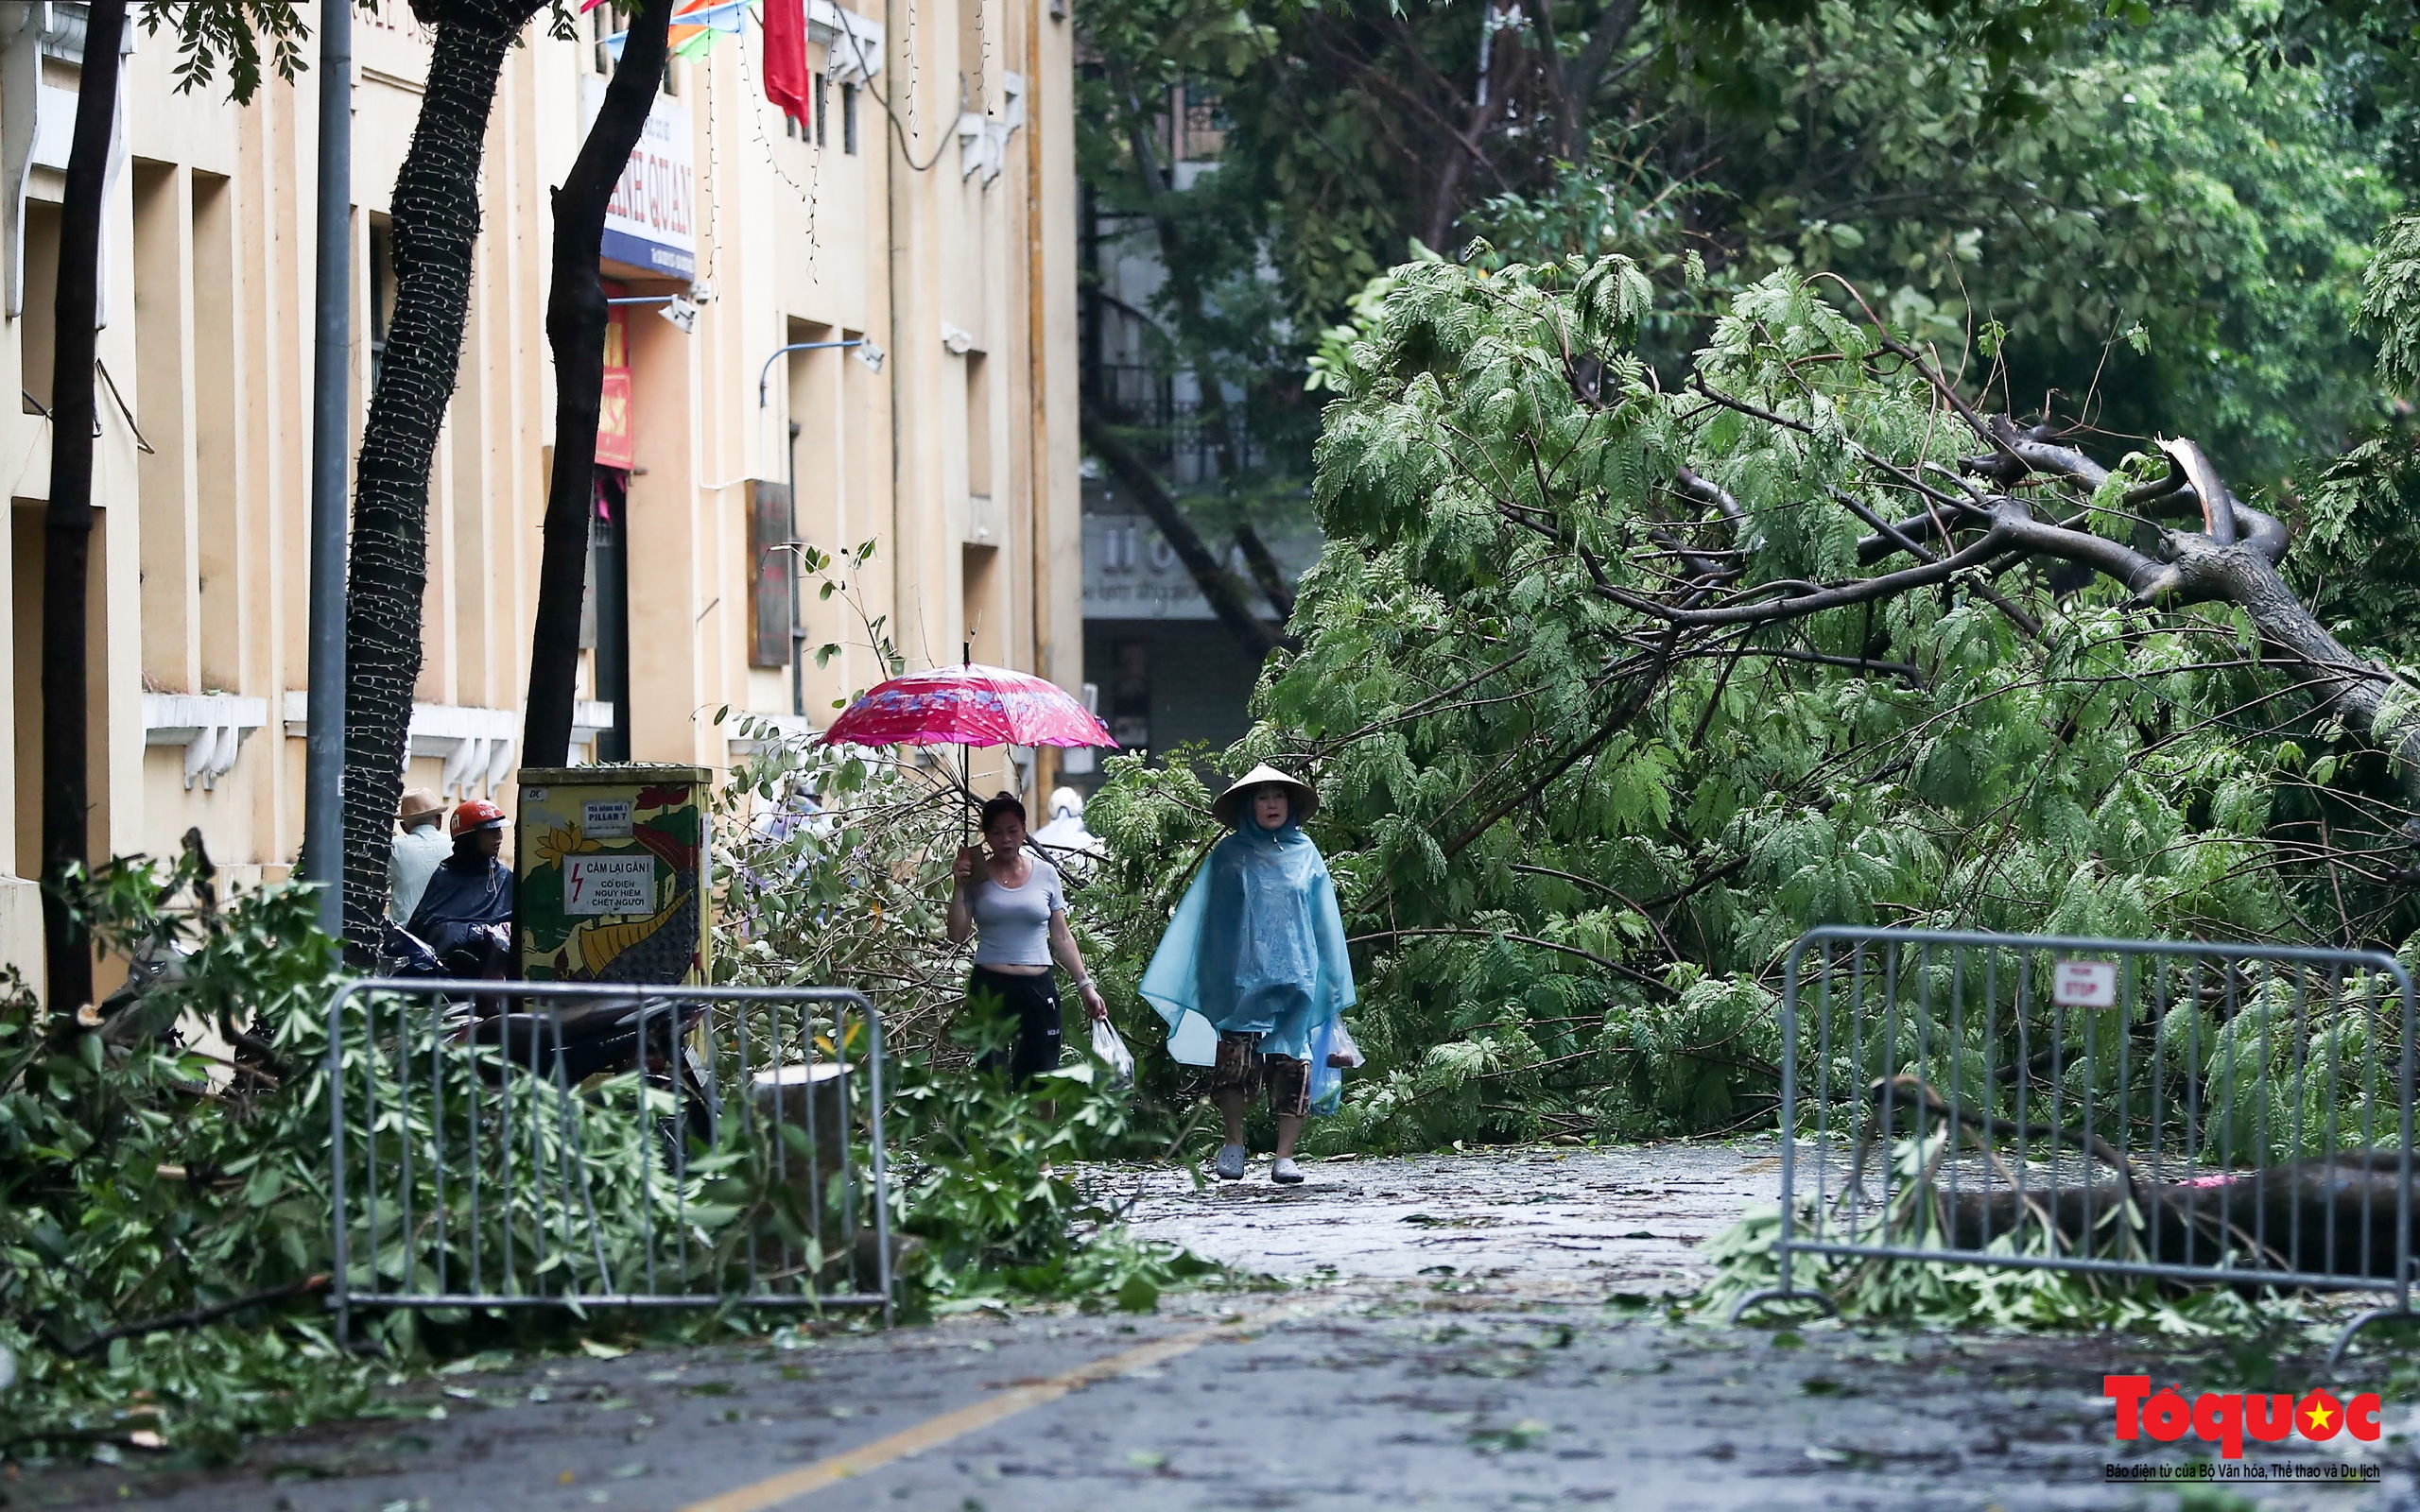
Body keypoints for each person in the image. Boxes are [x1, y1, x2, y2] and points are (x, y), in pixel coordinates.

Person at [1140, 765, 1356, 1185]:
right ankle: (1234, 1141)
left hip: (1297, 976)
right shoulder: (1229, 856)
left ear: (1290, 804)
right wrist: (1209, 975)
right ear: (1248, 806)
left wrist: (1331, 975)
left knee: (1294, 1065)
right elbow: (1209, 923)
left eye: (1278, 795)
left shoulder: (1307, 853)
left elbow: (1324, 920)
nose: (1272, 804)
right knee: (1234, 1066)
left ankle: (1285, 1157)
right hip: (1241, 979)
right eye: (1262, 797)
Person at [946, 791, 1108, 1087]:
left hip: (1037, 985)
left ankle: (1041, 1135)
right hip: (989, 987)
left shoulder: (1045, 874)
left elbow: (1061, 935)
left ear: (1024, 831)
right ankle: (998, 1134)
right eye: (996, 832)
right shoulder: (975, 876)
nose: (1005, 839)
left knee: (1042, 1076)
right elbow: (957, 936)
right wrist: (959, 886)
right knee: (991, 1077)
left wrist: (1086, 986)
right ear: (985, 835)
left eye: (1012, 831)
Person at [406, 798, 516, 961]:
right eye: (490, 831)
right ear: (470, 838)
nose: (498, 836)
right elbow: (426, 928)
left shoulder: (504, 877)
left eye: (499, 830)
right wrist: (473, 934)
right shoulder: (446, 876)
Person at [389, 788, 450, 923]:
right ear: (439, 819)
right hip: (447, 936)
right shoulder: (455, 845)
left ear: (404, 827)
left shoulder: (393, 850)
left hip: (405, 937)